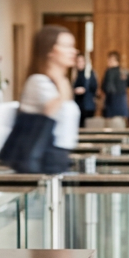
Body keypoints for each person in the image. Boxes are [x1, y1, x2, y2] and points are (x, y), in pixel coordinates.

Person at [19, 26, 80, 172]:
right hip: (46, 156)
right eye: (67, 46)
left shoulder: (60, 82)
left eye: (73, 46)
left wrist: (61, 79)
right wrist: (59, 78)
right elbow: (51, 112)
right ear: (50, 51)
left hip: (60, 155)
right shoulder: (38, 81)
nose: (74, 51)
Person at [101, 51, 129, 119]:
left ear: (113, 59)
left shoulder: (109, 72)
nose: (107, 62)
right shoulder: (124, 70)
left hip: (112, 102)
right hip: (123, 102)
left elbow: (105, 87)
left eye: (109, 60)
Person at [72, 54, 98, 123]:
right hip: (78, 105)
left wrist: (85, 90)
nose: (80, 63)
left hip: (88, 106)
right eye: (78, 61)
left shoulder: (89, 73)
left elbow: (94, 87)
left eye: (81, 61)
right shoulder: (75, 75)